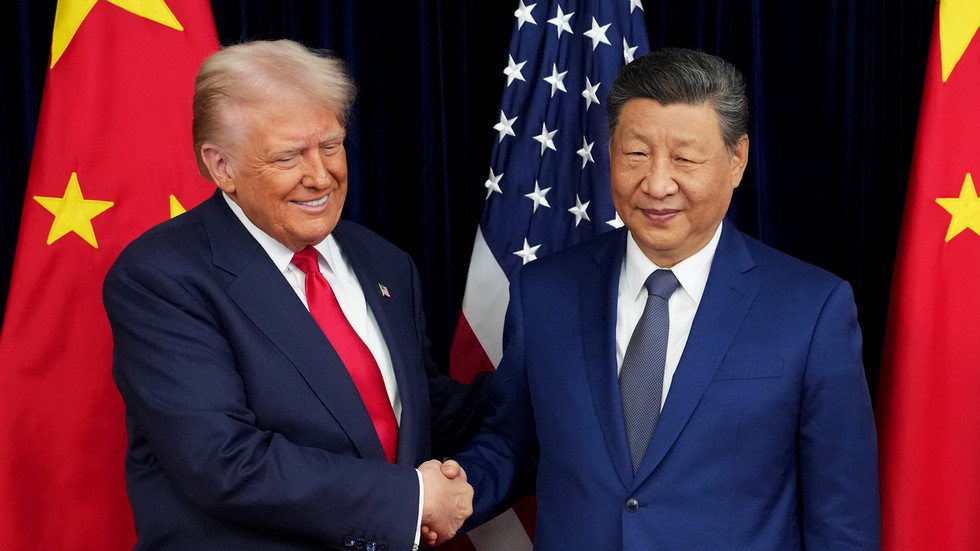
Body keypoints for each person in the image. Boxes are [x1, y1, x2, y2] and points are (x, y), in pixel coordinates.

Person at [449, 48, 880, 549]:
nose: (656, 183)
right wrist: (432, 496)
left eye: (684, 158)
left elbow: (842, 519)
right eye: (636, 154)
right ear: (610, 150)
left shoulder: (812, 309)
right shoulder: (541, 292)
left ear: (736, 160)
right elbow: (514, 442)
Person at [103, 39, 486, 550]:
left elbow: (411, 408)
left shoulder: (383, 261)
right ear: (222, 167)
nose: (321, 175)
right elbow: (223, 461)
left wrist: (552, 388)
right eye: (289, 156)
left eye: (331, 145)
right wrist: (412, 498)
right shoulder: (162, 276)